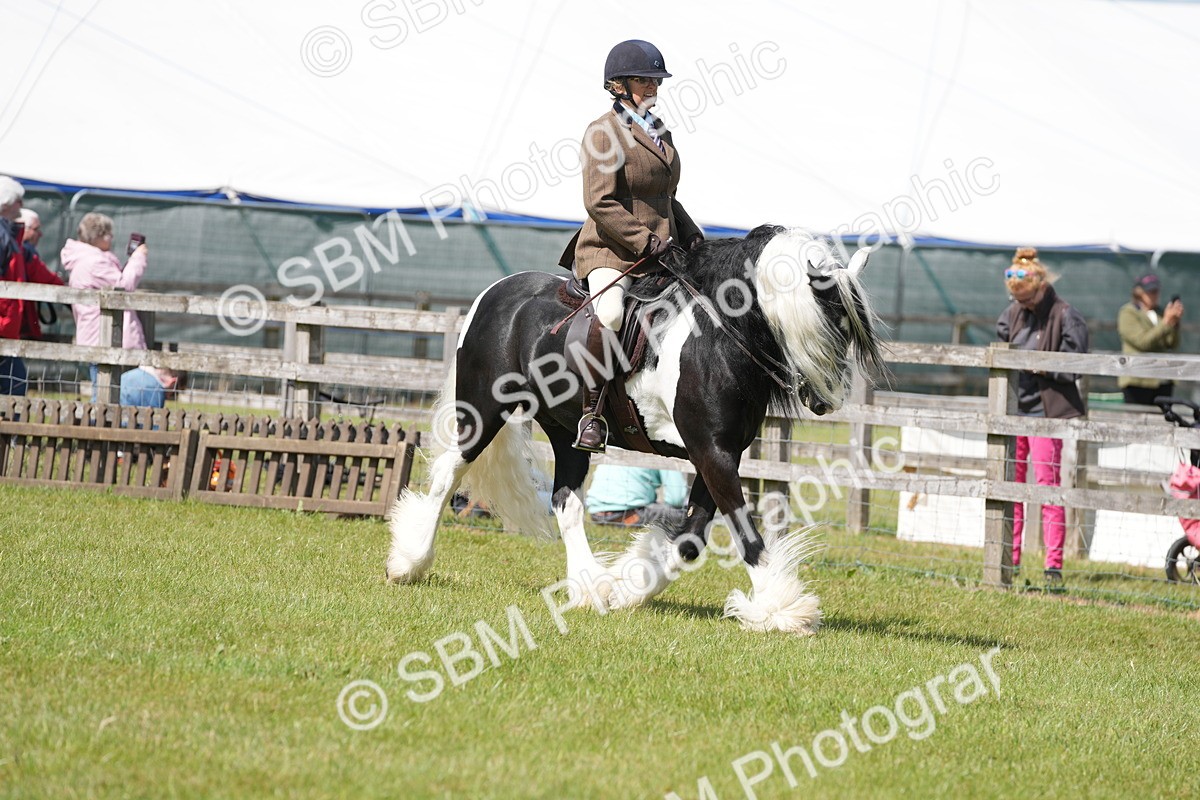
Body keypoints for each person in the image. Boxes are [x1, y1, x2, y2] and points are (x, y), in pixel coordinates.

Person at [557, 39, 704, 453]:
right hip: (612, 250)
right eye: (643, 79)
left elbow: (666, 197)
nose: (652, 86)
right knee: (612, 311)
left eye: (655, 79)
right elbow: (598, 201)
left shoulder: (659, 131)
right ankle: (591, 414)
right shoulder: (603, 133)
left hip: (660, 249)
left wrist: (689, 232)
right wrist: (645, 240)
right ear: (618, 85)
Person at [996, 247, 1089, 588]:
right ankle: (1012, 559)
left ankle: (1053, 567)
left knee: (1048, 490)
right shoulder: (1012, 313)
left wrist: (1043, 364)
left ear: (1039, 284)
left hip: (1046, 413)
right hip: (1014, 410)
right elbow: (1001, 348)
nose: (1020, 301)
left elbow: (1077, 360)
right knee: (1013, 487)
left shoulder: (1065, 315)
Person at [60, 212, 148, 400]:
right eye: (108, 233)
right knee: (103, 394)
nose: (111, 238)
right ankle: (95, 428)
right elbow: (123, 286)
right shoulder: (95, 262)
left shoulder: (85, 259)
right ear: (97, 236)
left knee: (103, 390)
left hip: (95, 334)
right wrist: (138, 258)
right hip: (103, 335)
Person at [0, 177, 66, 396]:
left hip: (8, 330)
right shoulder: (5, 238)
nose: (21, 204)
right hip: (4, 326)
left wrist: (71, 295)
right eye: (18, 199)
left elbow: (44, 276)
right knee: (15, 387)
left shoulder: (14, 241)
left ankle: (11, 431)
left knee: (16, 386)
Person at [1118, 272, 1183, 406]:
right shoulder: (1128, 312)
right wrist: (1165, 322)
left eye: (1156, 291)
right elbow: (1143, 342)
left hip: (1163, 379)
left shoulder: (1159, 312)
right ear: (1139, 292)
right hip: (1138, 380)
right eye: (1150, 291)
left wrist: (1174, 323)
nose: (1154, 295)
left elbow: (1172, 343)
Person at [586, 465, 688, 528]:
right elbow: (676, 499)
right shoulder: (666, 453)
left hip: (596, 514)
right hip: (629, 514)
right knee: (688, 516)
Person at [120, 365, 184, 408]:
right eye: (172, 394)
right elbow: (152, 424)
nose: (167, 397)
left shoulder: (127, 375)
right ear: (173, 383)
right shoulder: (156, 390)